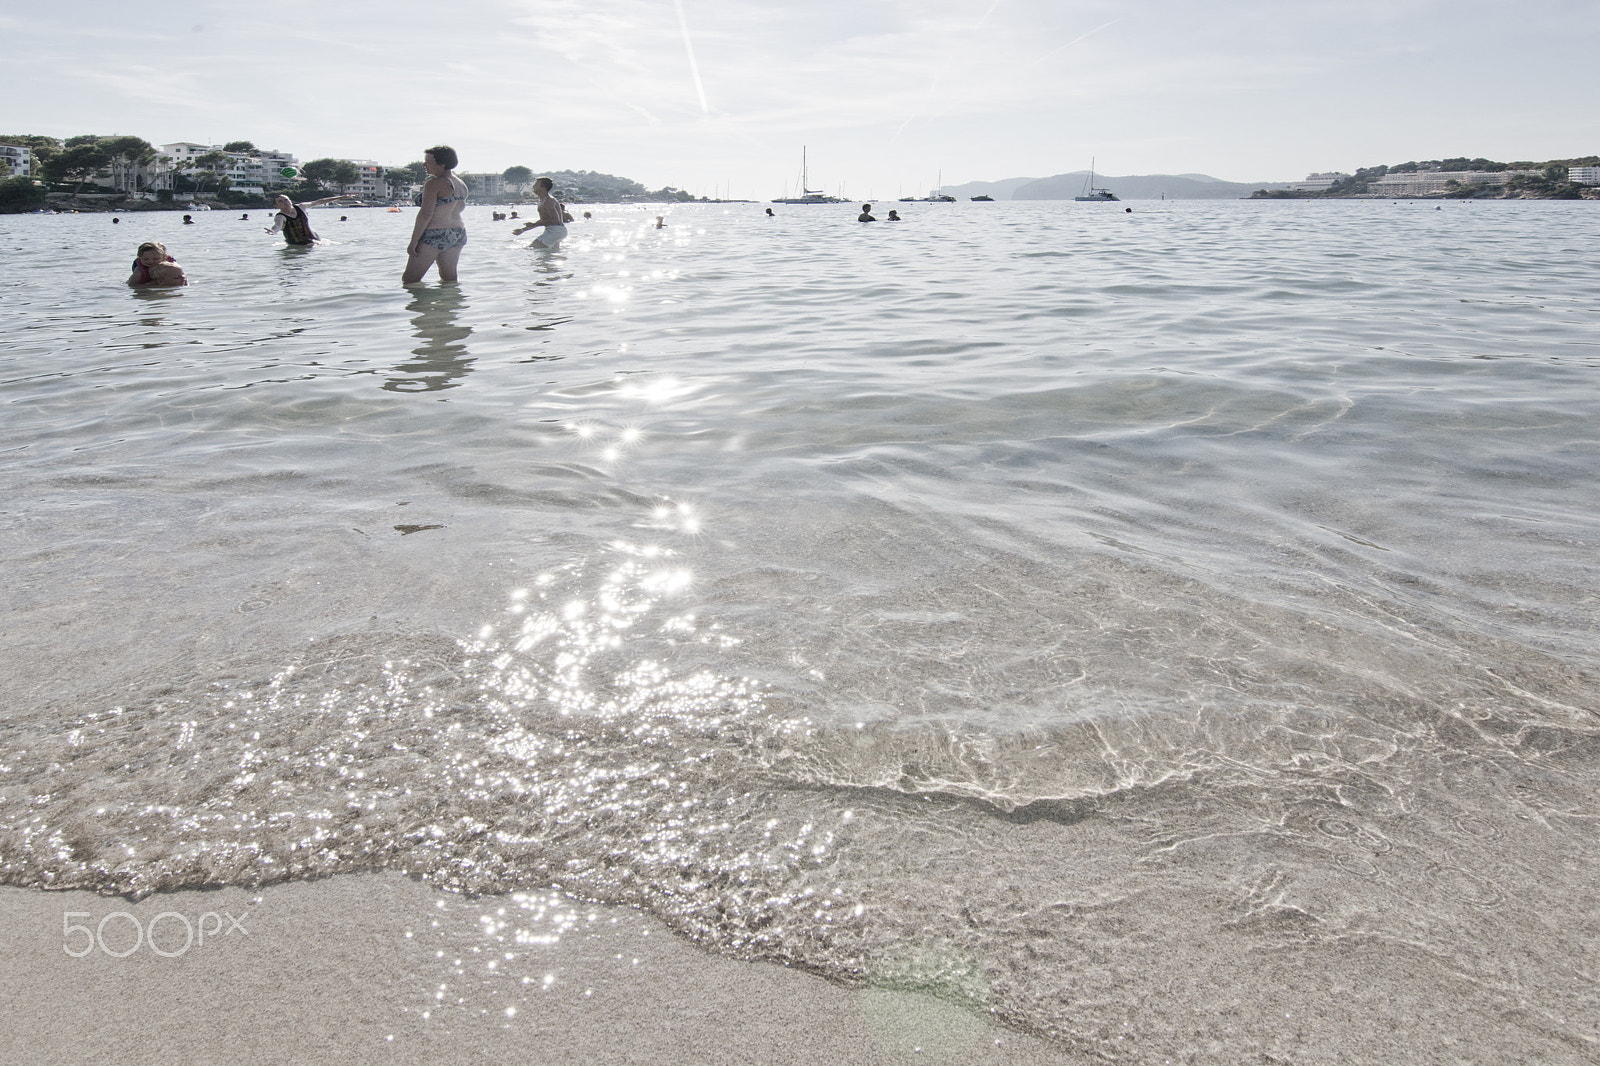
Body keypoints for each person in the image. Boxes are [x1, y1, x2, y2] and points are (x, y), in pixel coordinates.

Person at [403, 145, 469, 282]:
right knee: (449, 280)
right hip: (457, 234)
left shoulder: (434, 184)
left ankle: (419, 304)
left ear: (442, 164)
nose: (424, 164)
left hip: (435, 234)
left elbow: (425, 214)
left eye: (428, 162)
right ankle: (450, 303)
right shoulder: (461, 184)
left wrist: (413, 242)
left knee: (410, 279)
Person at [266, 192, 357, 246]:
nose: (285, 202)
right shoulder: (280, 216)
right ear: (276, 206)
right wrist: (273, 231)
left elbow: (320, 201)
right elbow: (277, 225)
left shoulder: (301, 207)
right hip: (296, 244)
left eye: (286, 199)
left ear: (290, 200)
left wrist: (340, 197)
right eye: (280, 201)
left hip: (314, 240)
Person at [512, 177, 568, 250]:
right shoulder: (542, 200)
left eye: (536, 185)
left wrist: (534, 224)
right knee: (548, 254)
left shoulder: (549, 201)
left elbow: (555, 220)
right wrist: (523, 230)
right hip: (553, 231)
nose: (533, 186)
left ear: (543, 188)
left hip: (556, 231)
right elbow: (543, 220)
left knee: (531, 249)